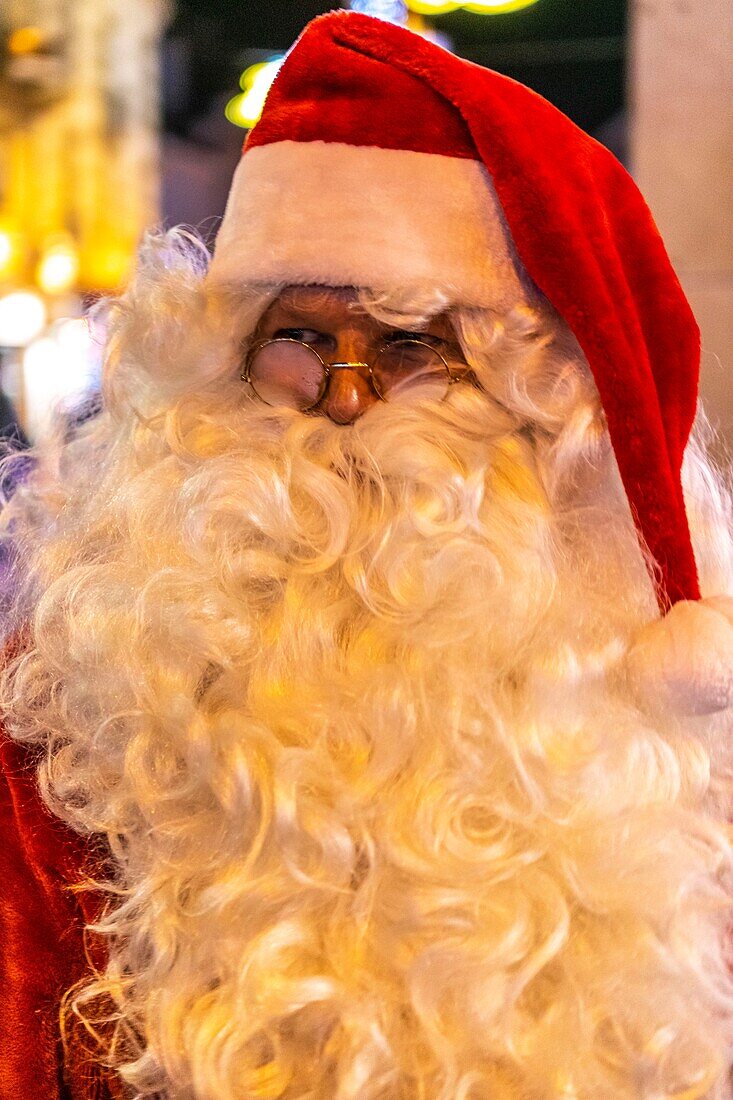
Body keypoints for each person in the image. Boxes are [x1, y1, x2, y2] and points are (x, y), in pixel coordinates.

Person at [2, 10, 733, 1099]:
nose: (346, 400)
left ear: (521, 391)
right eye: (301, 338)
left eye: (407, 346)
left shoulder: (671, 734)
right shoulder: (73, 724)